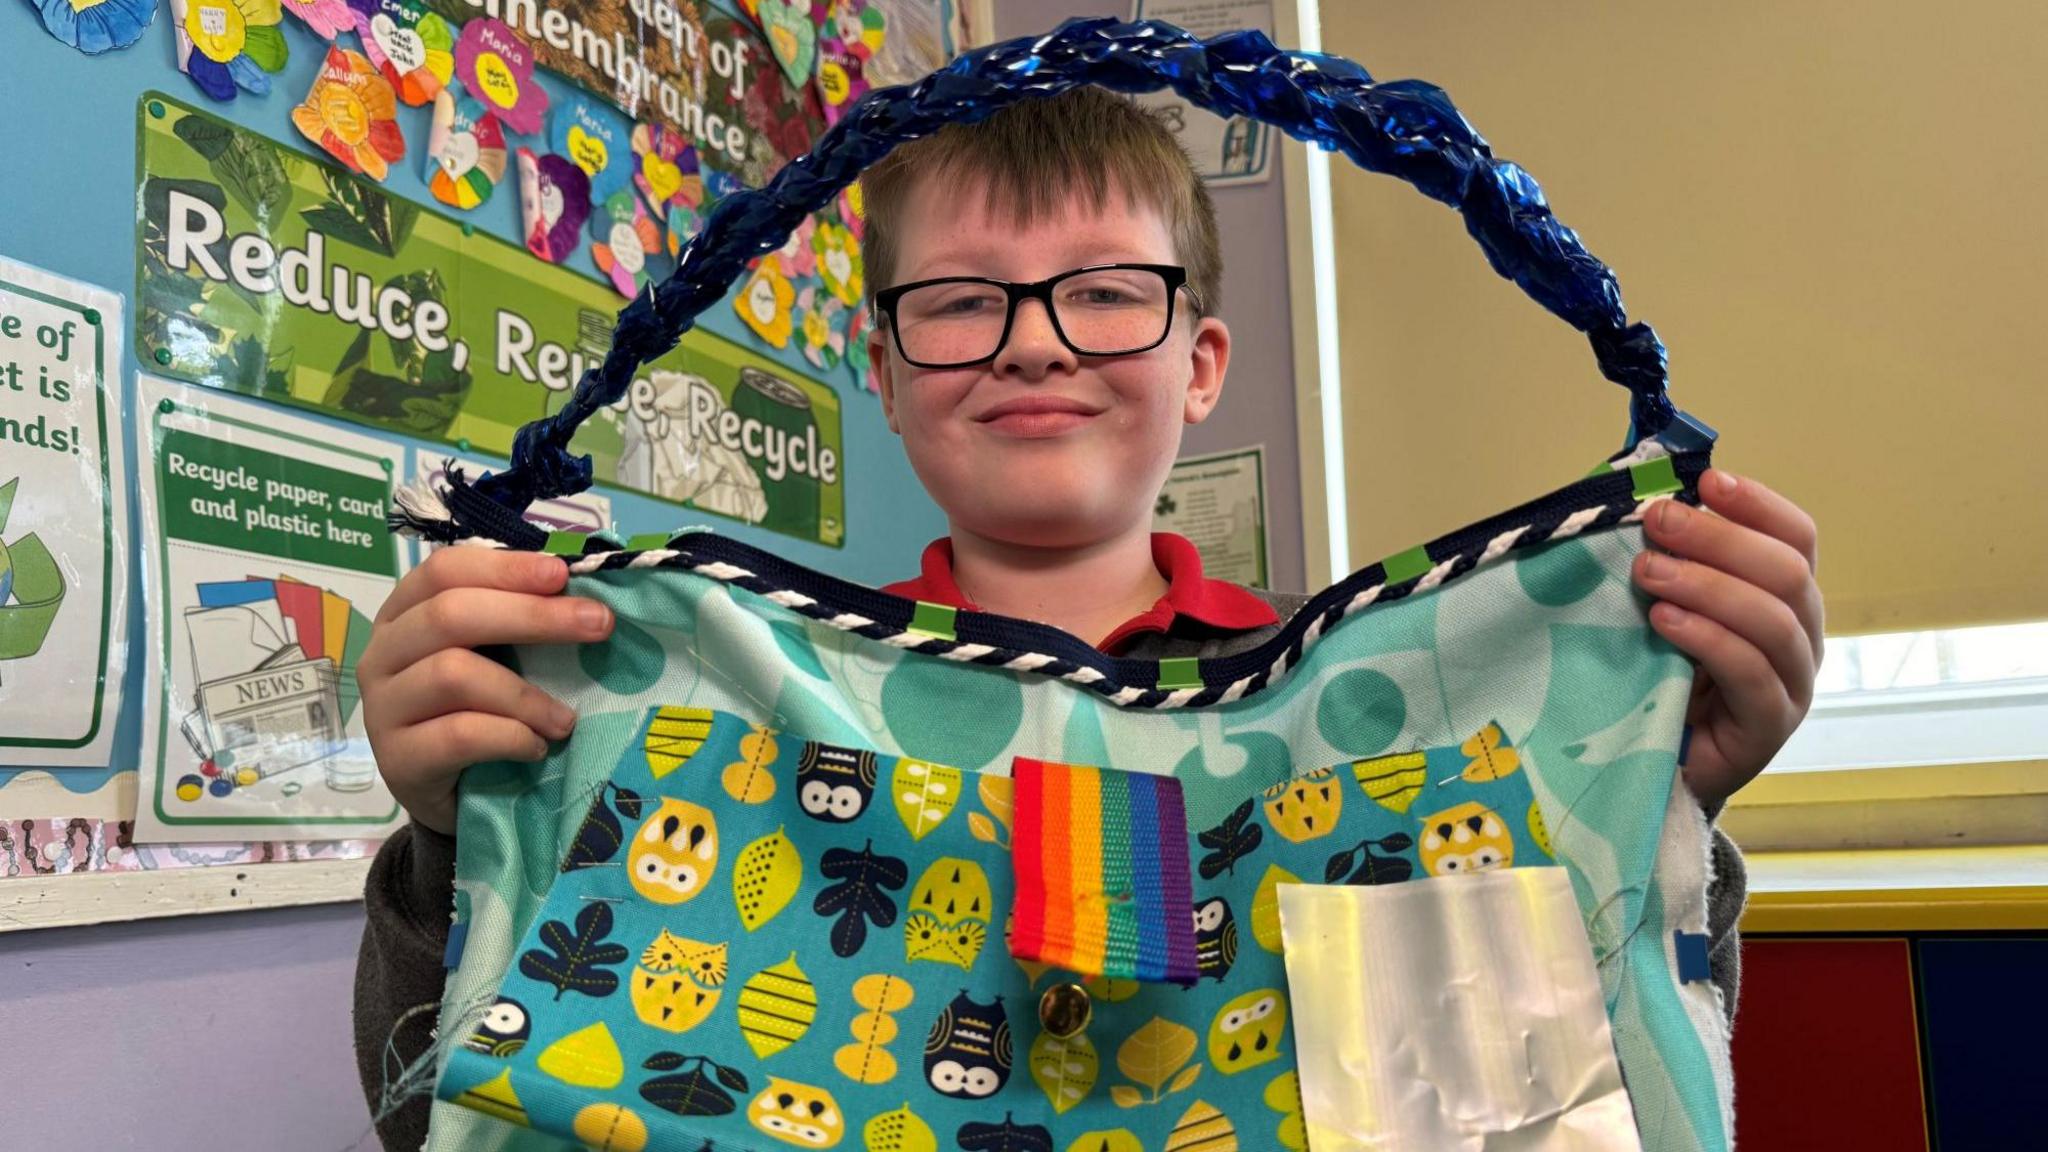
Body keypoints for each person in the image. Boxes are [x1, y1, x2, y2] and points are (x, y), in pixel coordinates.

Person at [352, 88, 1824, 1149]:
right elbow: (461, 1089)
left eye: (1107, 294)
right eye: (959, 302)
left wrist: (1669, 796)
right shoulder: (745, 703)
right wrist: (450, 841)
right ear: (887, 363)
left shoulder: (1369, 722)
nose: (1037, 341)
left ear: (1201, 361)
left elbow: (1551, 1074)